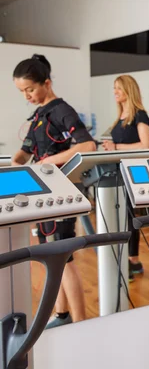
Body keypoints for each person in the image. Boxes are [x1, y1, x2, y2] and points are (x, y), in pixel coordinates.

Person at [12, 54, 97, 328]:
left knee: (64, 258)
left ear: (46, 83)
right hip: (42, 196)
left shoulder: (62, 110)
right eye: (22, 91)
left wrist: (49, 161)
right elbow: (24, 153)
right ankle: (61, 314)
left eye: (30, 89)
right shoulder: (38, 115)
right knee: (49, 258)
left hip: (61, 194)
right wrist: (15, 164)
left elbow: (87, 146)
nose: (27, 96)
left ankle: (81, 323)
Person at [102, 75, 149, 280]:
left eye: (119, 88)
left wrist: (117, 147)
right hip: (116, 172)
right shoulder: (120, 117)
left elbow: (146, 145)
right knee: (119, 217)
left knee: (130, 218)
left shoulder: (139, 115)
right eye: (114, 88)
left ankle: (133, 261)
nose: (115, 92)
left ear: (128, 91)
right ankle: (123, 259)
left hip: (131, 173)